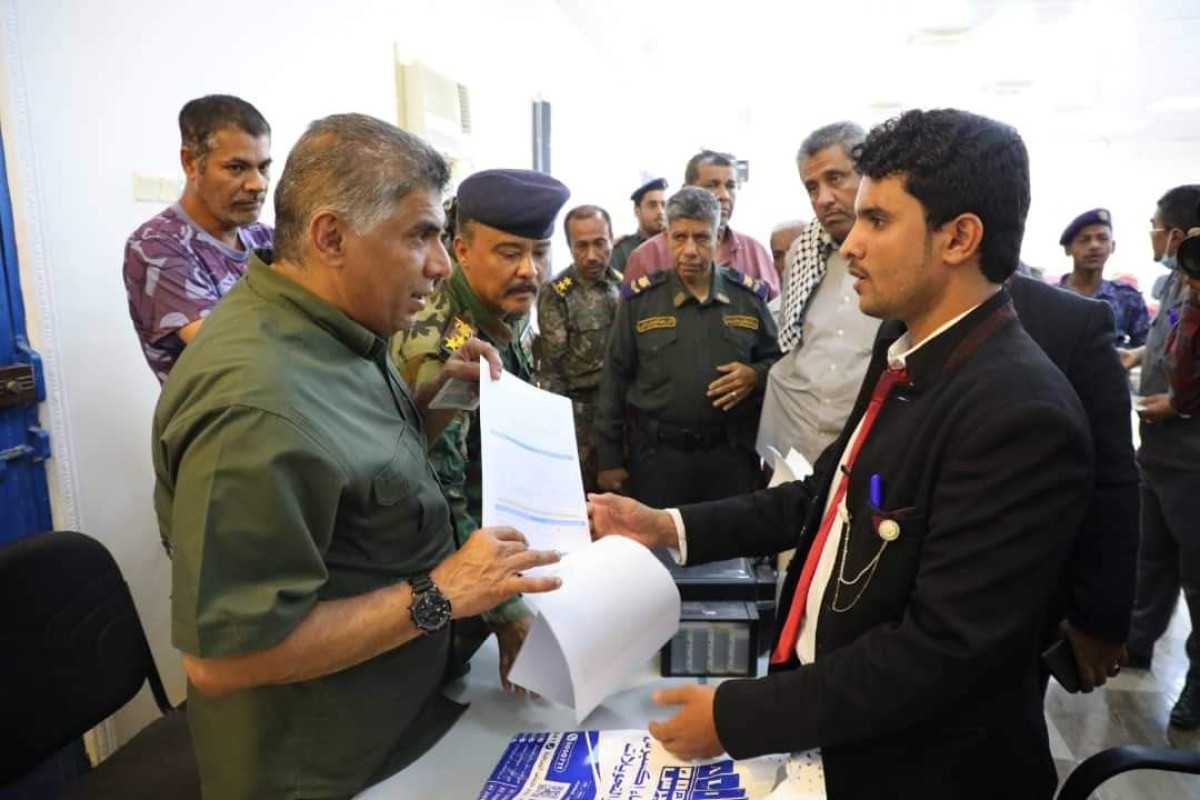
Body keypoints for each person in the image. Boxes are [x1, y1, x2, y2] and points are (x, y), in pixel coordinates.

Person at [590, 109, 1093, 799]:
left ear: (959, 237)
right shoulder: (908, 350)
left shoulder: (1018, 412)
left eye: (877, 221)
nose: (849, 243)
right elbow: (816, 500)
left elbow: (942, 651)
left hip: (922, 771)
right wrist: (666, 525)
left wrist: (739, 716)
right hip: (845, 734)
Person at [154, 113, 561, 799]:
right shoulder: (252, 402)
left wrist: (443, 401)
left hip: (405, 720)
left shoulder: (338, 331)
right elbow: (224, 659)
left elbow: (368, 481)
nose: (439, 264)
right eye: (420, 236)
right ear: (332, 236)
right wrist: (443, 593)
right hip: (327, 767)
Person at [392, 168, 570, 666]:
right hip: (448, 594)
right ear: (462, 251)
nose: (530, 271)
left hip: (495, 568)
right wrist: (507, 612)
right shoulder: (440, 341)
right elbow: (442, 493)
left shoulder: (506, 314)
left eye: (540, 252)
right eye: (510, 253)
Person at [593, 186, 780, 507]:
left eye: (701, 238)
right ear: (666, 236)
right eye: (679, 238)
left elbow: (777, 362)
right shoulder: (642, 302)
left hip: (730, 460)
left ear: (718, 236)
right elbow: (615, 378)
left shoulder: (747, 299)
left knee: (728, 551)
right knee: (657, 555)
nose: (690, 250)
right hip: (658, 461)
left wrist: (756, 374)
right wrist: (609, 458)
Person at [1008, 271, 1140, 692]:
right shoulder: (897, 324)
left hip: (1020, 609)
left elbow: (1112, 479)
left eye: (880, 221)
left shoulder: (1067, 323)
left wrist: (1100, 619)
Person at [124, 94, 274, 382]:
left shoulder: (266, 238)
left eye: (264, 167)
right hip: (221, 423)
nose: (258, 184)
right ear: (191, 162)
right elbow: (235, 353)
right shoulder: (155, 247)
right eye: (236, 168)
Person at [758, 122, 881, 464]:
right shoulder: (802, 251)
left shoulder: (899, 250)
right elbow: (794, 344)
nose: (822, 199)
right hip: (798, 436)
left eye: (835, 178)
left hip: (867, 439)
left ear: (868, 174)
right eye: (812, 187)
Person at [1124, 185, 1200, 729]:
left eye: (1155, 224)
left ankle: (1198, 683)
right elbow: (1169, 342)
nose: (1150, 233)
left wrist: (1175, 405)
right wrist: (1135, 354)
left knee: (1196, 576)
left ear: (1175, 233)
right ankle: (1137, 640)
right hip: (1159, 453)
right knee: (1150, 556)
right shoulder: (1173, 282)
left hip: (1193, 460)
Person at [535, 204, 622, 493]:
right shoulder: (557, 293)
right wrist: (558, 435)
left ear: (612, 239)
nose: (592, 255)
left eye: (600, 243)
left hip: (623, 415)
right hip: (579, 418)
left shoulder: (625, 288)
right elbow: (553, 372)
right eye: (581, 246)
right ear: (570, 247)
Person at [623, 151, 779, 299]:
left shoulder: (755, 252)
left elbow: (774, 315)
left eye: (730, 186)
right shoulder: (647, 256)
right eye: (711, 185)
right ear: (687, 190)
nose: (723, 195)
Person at [1056, 208, 1149, 347]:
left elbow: (1145, 346)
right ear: (1068, 249)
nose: (1094, 245)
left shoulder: (1127, 296)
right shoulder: (1050, 297)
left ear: (1113, 246)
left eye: (1102, 238)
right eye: (1084, 240)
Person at [610, 177, 667, 276]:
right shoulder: (621, 251)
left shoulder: (675, 246)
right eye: (652, 205)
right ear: (637, 211)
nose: (660, 212)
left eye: (663, 205)